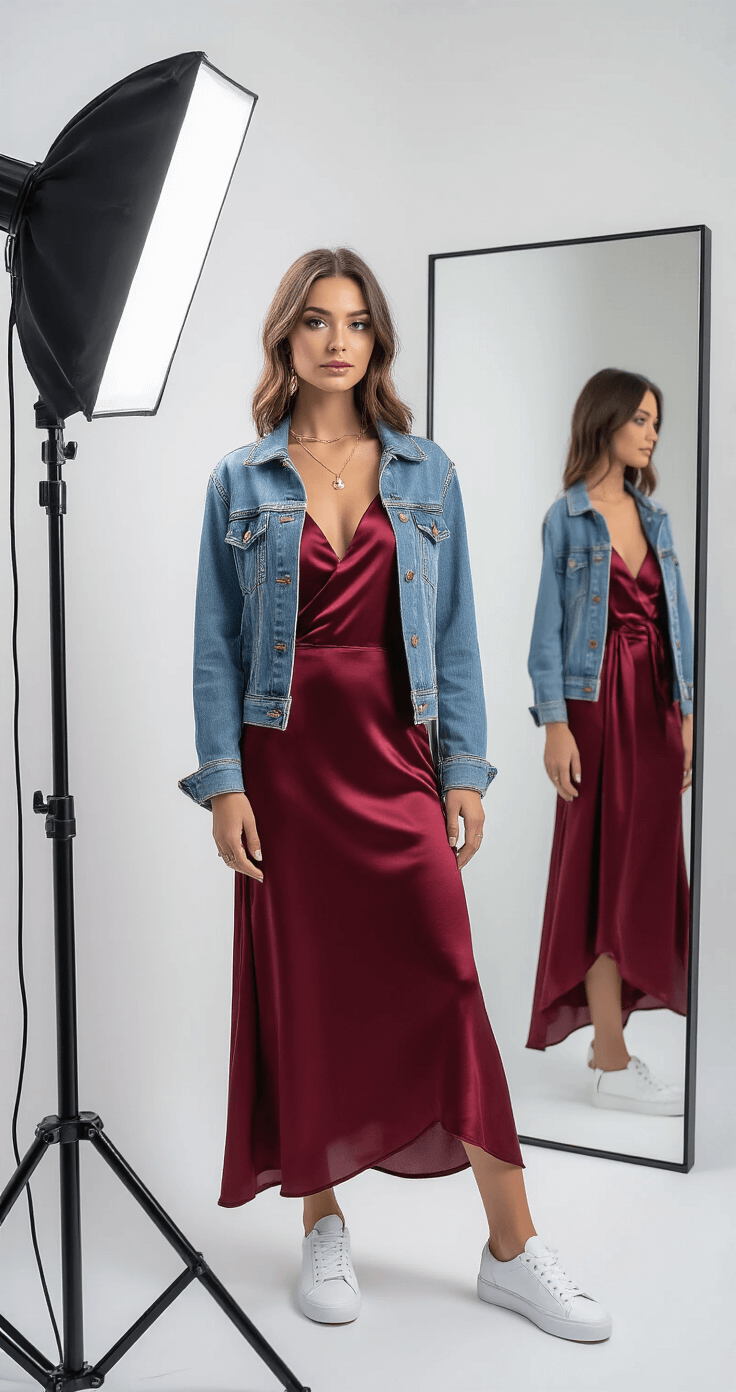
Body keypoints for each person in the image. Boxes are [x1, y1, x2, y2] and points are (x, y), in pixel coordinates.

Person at [179, 247, 611, 1341]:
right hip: (285, 768)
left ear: (377, 340)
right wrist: (225, 785)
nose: (338, 340)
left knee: (449, 981)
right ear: (286, 338)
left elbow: (454, 632)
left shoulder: (426, 472)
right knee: (308, 991)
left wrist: (462, 769)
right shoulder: (240, 479)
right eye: (317, 320)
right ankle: (322, 1219)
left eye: (357, 321)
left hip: (393, 758)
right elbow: (216, 647)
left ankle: (511, 1248)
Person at [525, 369, 693, 1115]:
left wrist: (688, 716)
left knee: (643, 878)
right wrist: (555, 724)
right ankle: (612, 1059)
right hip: (594, 710)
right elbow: (547, 631)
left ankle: (608, 1049)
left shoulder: (656, 521)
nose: (652, 433)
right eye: (642, 419)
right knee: (597, 878)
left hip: (654, 710)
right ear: (607, 419)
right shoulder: (566, 518)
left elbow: (676, 623)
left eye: (657, 422)